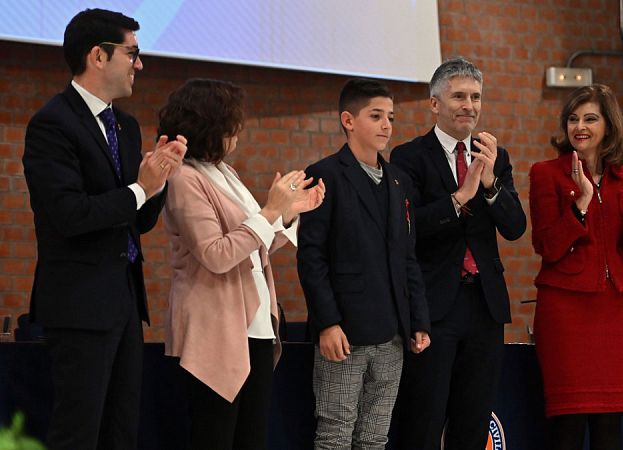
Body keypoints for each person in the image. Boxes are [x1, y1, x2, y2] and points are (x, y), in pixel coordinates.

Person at [21, 8, 186, 450]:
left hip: (125, 301)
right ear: (98, 55)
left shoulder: (125, 126)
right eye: (132, 53)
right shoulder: (52, 124)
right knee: (78, 432)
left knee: (121, 430)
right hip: (79, 303)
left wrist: (159, 181)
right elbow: (70, 215)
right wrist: (140, 188)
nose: (140, 64)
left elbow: (137, 221)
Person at [159, 78, 325, 450]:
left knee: (252, 437)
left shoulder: (226, 173)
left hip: (256, 323)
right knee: (216, 436)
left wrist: (286, 214)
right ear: (210, 125)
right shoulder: (184, 178)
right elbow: (217, 254)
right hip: (216, 325)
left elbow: (253, 247)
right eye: (231, 125)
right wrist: (270, 210)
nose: (237, 134)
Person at [389, 56, 527, 449]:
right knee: (425, 418)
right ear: (435, 104)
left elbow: (515, 228)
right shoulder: (409, 156)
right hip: (434, 305)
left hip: (484, 305)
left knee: (474, 420)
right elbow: (408, 228)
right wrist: (459, 198)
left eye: (476, 97)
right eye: (459, 96)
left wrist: (491, 185)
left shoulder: (494, 155)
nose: (469, 105)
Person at [297, 78, 431, 449]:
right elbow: (311, 257)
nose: (387, 125)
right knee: (336, 433)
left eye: (390, 117)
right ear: (348, 120)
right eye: (376, 116)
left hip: (393, 331)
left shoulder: (399, 181)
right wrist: (327, 322)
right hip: (345, 331)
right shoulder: (324, 174)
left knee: (374, 436)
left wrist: (418, 320)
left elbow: (408, 257)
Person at [528, 84, 623, 450]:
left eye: (590, 119)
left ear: (608, 126)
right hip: (567, 312)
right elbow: (548, 246)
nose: (580, 127)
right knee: (568, 424)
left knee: (609, 425)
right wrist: (581, 203)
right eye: (573, 119)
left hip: (620, 310)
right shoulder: (546, 173)